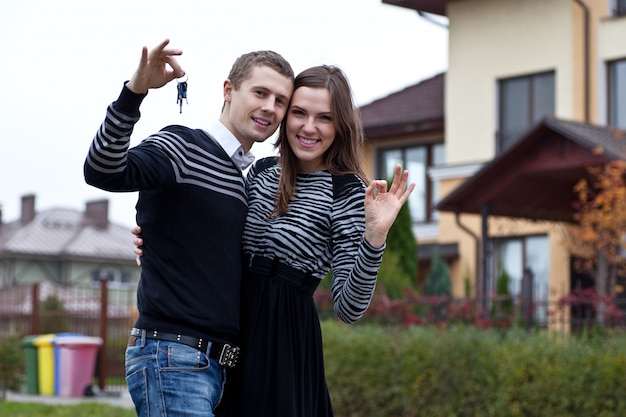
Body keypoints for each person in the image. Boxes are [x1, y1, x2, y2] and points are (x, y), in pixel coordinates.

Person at [135, 65, 415, 416]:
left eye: (324, 118)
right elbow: (218, 240)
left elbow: (349, 309)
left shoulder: (348, 193)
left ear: (340, 126)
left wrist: (374, 238)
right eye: (299, 113)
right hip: (228, 328)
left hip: (285, 342)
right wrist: (158, 243)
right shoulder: (262, 171)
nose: (309, 127)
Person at [83, 39, 294, 417]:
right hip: (173, 357)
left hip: (214, 366)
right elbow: (102, 168)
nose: (270, 107)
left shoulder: (240, 180)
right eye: (260, 93)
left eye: (280, 101)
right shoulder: (182, 146)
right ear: (229, 90)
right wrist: (134, 93)